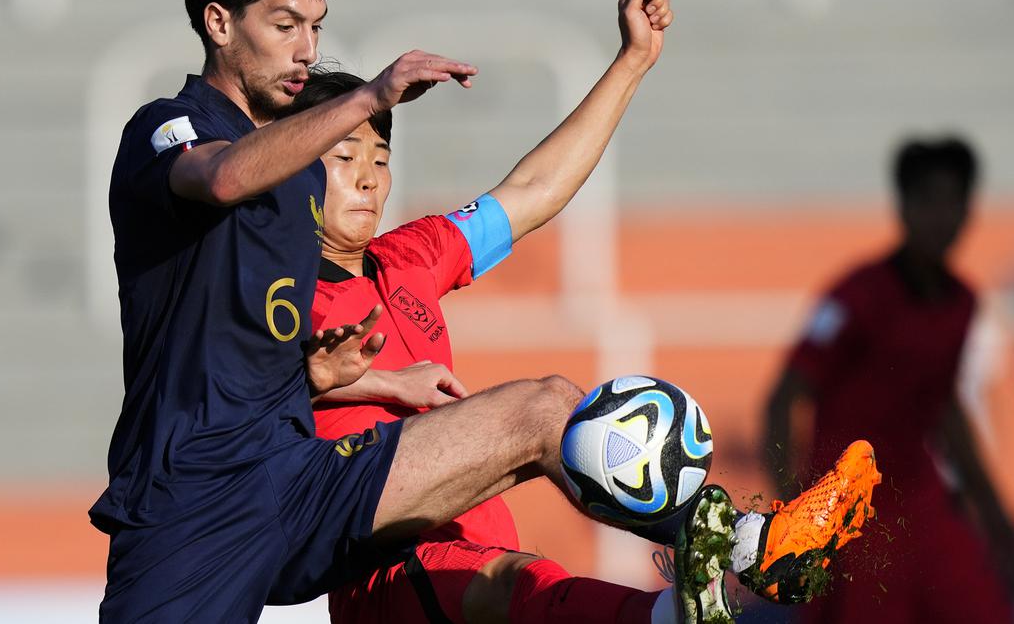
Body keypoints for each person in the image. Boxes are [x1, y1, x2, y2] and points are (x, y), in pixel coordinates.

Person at [91, 0, 873, 622]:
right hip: (194, 501)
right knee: (512, 583)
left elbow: (528, 194)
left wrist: (632, 64)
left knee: (545, 413)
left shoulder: (371, 241)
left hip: (303, 481)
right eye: (285, 25)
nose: (305, 48)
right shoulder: (169, 128)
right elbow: (222, 179)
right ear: (217, 22)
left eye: (316, 27)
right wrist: (368, 94)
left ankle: (744, 549)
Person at [294, 60, 882, 622]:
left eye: (380, 157)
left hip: (472, 550)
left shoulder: (408, 256)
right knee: (544, 412)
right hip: (380, 563)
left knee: (528, 572)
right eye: (344, 157)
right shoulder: (270, 287)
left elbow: (533, 188)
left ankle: (692, 600)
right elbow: (215, 383)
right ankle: (752, 544)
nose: (369, 176)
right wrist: (382, 380)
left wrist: (632, 62)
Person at [764, 137, 1014, 622]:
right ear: (902, 205)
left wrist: (994, 515)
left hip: (923, 505)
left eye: (954, 200)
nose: (942, 216)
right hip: (853, 519)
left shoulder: (961, 302)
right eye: (929, 199)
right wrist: (793, 516)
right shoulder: (855, 296)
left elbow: (942, 406)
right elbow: (783, 398)